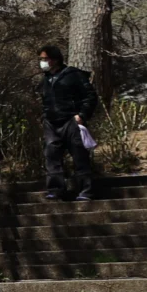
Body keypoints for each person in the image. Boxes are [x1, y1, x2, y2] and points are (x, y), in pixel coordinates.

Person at [39, 44, 99, 202]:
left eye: (45, 59)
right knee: (51, 155)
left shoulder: (73, 74)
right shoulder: (46, 79)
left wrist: (82, 115)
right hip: (51, 123)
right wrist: (44, 116)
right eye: (41, 59)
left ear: (55, 59)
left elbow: (90, 96)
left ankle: (86, 190)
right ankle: (55, 189)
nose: (43, 62)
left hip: (71, 120)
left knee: (79, 155)